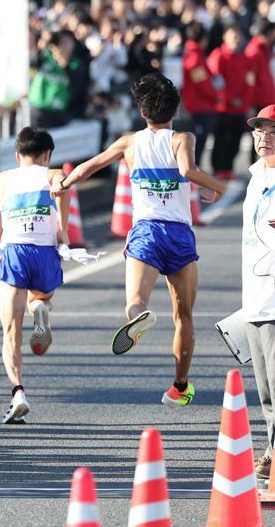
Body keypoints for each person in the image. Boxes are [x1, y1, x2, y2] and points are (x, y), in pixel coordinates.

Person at [56, 73, 226, 408]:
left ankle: (139, 316)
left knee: (134, 299)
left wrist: (62, 184)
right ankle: (180, 387)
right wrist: (216, 186)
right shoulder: (182, 139)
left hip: (146, 230)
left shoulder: (129, 143)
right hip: (178, 234)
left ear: (143, 112)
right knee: (185, 316)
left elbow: (89, 166)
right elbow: (189, 171)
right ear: (174, 111)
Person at [0, 128, 69, 424]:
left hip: (15, 253)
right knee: (42, 300)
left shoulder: (1, 180)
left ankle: (18, 392)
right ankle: (41, 311)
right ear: (47, 154)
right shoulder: (53, 174)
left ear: (17, 155)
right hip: (45, 254)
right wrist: (63, 231)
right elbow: (62, 188)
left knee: (11, 333)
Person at [242, 105, 275, 481]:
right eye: (259, 131)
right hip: (254, 297)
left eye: (271, 132)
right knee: (265, 391)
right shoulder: (253, 178)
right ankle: (271, 451)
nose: (263, 138)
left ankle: (271, 455)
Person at [207, 25, 252, 180]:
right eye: (233, 36)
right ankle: (218, 168)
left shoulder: (244, 57)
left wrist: (243, 100)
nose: (237, 40)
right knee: (221, 139)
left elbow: (249, 81)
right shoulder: (218, 55)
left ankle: (228, 168)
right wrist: (231, 99)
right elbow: (216, 81)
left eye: (239, 36)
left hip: (240, 108)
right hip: (223, 107)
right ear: (225, 37)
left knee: (236, 139)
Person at [181, 22, 221, 165]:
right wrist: (215, 96)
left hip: (196, 103)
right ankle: (194, 171)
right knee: (198, 140)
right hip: (199, 104)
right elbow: (202, 82)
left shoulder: (191, 53)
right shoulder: (195, 57)